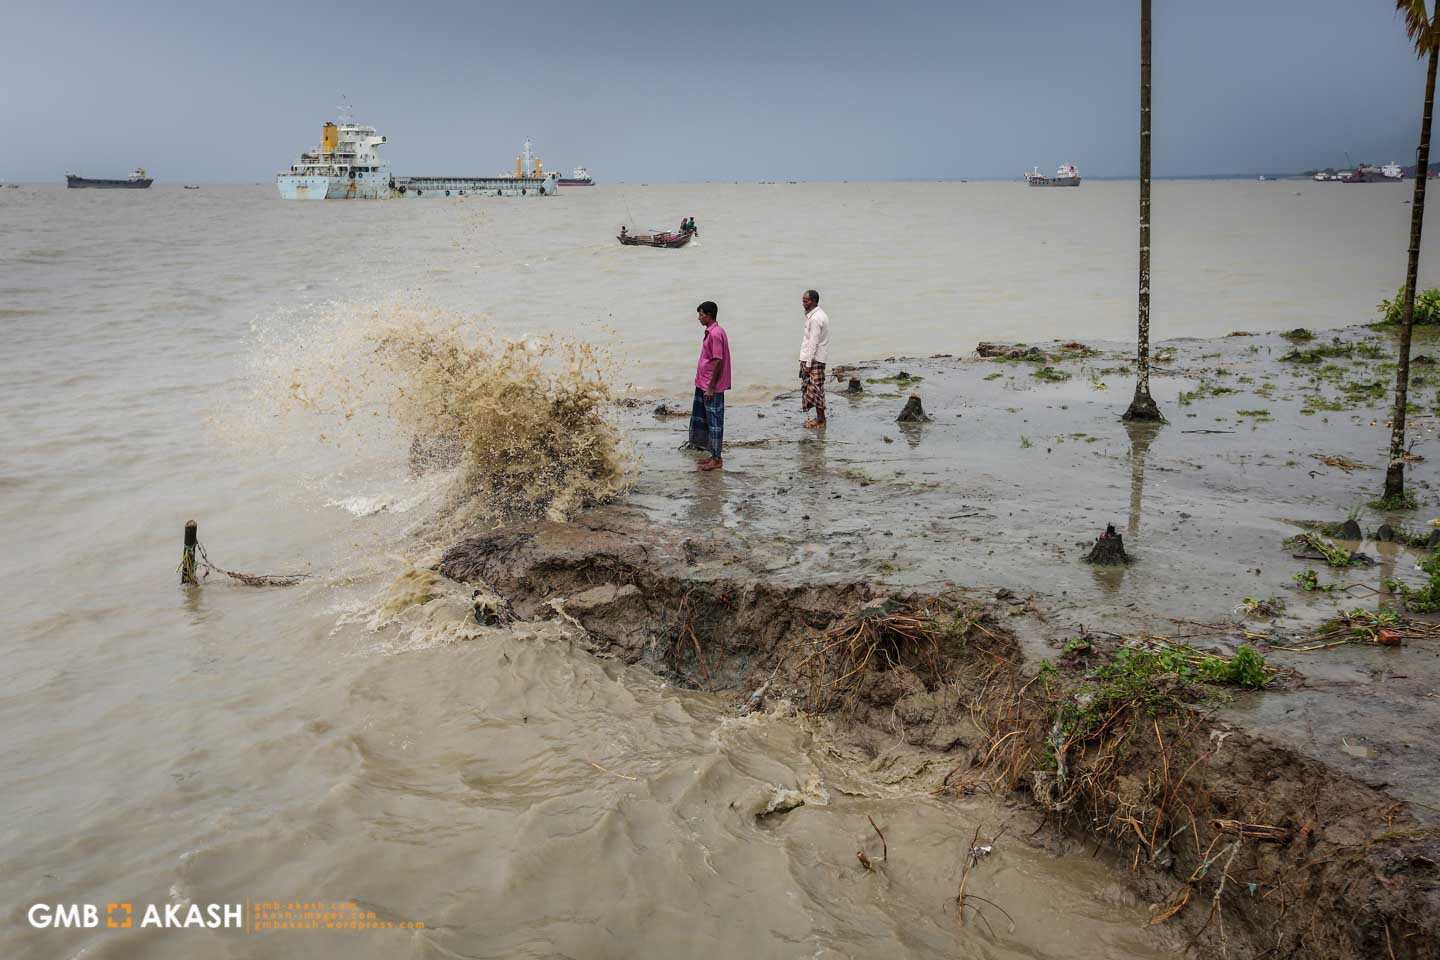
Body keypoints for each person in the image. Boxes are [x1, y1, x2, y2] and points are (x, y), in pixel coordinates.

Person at [690, 300, 730, 470]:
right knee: (706, 420)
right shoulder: (711, 332)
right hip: (704, 382)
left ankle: (717, 459)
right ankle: (712, 455)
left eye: (701, 314)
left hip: (711, 385)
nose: (699, 318)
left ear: (709, 315)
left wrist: (711, 387)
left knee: (714, 422)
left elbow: (719, 360)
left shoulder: (715, 334)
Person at [799, 289, 830, 429]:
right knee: (815, 389)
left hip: (814, 359)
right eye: (803, 301)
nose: (803, 303)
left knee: (816, 389)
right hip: (815, 358)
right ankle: (820, 418)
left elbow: (813, 342)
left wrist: (809, 364)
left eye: (806, 301)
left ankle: (821, 420)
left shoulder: (816, 318)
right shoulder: (815, 315)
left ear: (814, 301)